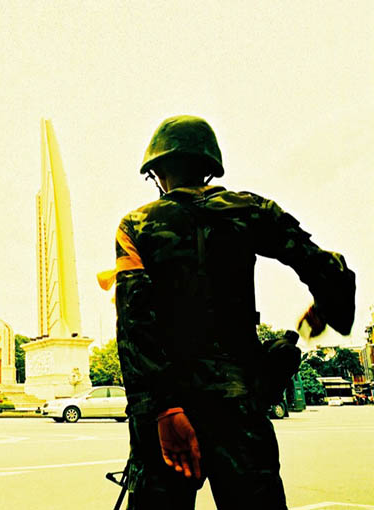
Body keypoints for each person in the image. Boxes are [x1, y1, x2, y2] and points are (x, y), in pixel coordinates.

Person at [113, 115, 355, 508]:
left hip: (167, 415)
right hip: (238, 404)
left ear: (156, 172)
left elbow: (135, 323)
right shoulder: (252, 210)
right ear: (210, 168)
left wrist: (163, 409)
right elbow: (332, 271)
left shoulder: (137, 226)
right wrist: (324, 310)